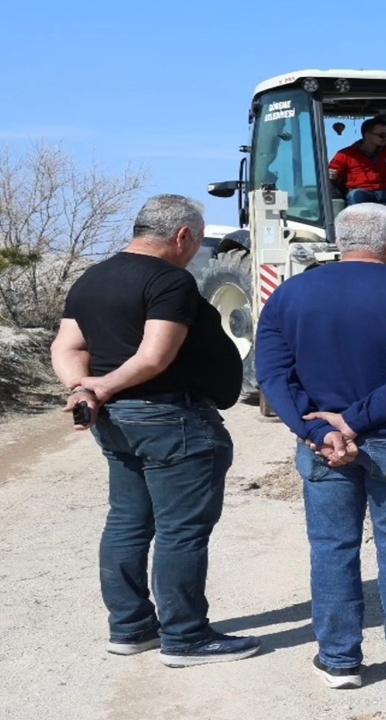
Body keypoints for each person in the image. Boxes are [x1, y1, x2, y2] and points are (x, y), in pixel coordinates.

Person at [254, 203, 386, 692]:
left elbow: (273, 374)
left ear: (339, 243)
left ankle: (339, 661)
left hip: (322, 447)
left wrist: (322, 432)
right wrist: (355, 420)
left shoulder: (289, 293)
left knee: (331, 549)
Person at [49, 194, 260, 667]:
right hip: (169, 419)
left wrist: (83, 390)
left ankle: (131, 629)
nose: (195, 248)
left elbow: (67, 344)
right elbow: (154, 356)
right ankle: (185, 638)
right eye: (197, 240)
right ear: (182, 236)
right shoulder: (171, 281)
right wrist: (98, 388)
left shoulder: (92, 277)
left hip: (118, 421)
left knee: (127, 523)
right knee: (181, 533)